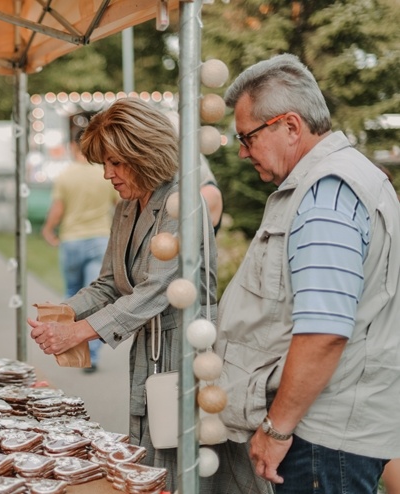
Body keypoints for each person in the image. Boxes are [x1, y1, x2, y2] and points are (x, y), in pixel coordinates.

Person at [211, 54, 400, 494]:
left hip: (322, 436)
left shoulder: (327, 194)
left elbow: (324, 332)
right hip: (332, 430)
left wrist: (277, 430)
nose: (241, 152)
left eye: (248, 137)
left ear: (291, 127)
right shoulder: (347, 178)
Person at [28, 98, 218, 492]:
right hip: (149, 351)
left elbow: (162, 285)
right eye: (103, 164)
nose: (107, 175)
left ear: (144, 153)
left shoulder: (182, 202)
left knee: (179, 463)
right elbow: (110, 284)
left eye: (116, 163)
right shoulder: (127, 207)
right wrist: (63, 311)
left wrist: (81, 331)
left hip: (186, 352)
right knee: (148, 458)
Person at [40, 131, 118, 373]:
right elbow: (120, 205)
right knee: (95, 297)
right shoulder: (103, 174)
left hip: (72, 240)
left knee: (73, 293)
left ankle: (65, 345)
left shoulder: (65, 175)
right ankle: (91, 357)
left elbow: (58, 208)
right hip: (99, 238)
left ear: (74, 147)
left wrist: (48, 229)